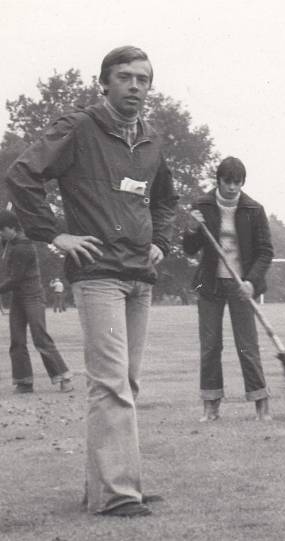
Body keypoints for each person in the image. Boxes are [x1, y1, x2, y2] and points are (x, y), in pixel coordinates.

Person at [5, 45, 177, 517]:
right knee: (110, 385)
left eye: (143, 79)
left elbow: (165, 198)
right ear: (103, 82)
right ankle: (117, 495)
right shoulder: (78, 127)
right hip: (98, 275)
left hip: (140, 274)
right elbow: (22, 175)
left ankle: (109, 485)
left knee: (128, 383)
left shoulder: (152, 140)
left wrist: (161, 238)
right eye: (125, 77)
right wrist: (55, 235)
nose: (135, 87)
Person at [182, 156, 274, 422]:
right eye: (228, 182)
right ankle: (211, 405)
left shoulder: (254, 209)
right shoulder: (202, 205)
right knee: (210, 345)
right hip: (210, 284)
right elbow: (190, 249)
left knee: (248, 346)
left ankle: (260, 402)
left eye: (238, 182)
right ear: (218, 180)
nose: (233, 188)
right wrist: (190, 230)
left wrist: (251, 282)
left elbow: (266, 252)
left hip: (242, 286)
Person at [0, 210, 73, 394]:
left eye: (2, 230)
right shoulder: (10, 243)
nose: (0, 234)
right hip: (18, 298)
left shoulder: (24, 247)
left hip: (33, 297)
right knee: (17, 340)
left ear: (11, 228)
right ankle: (24, 382)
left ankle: (64, 377)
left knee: (40, 338)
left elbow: (15, 278)